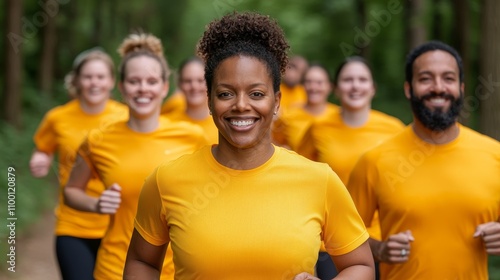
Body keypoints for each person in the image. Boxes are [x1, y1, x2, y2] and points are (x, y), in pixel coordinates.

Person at [124, 11, 374, 280]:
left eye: (256, 93)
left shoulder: (319, 180)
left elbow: (360, 266)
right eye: (225, 93)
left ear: (276, 101)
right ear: (209, 100)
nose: (241, 105)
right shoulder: (165, 180)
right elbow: (142, 262)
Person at [346, 40, 500, 279]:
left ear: (461, 87)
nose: (438, 88)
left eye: (448, 79)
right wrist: (380, 249)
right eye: (426, 79)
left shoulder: (494, 156)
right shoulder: (374, 161)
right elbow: (343, 238)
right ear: (409, 88)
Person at [63, 33, 207, 280]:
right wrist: (95, 205)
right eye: (134, 81)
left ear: (164, 87)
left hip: (178, 271)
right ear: (121, 87)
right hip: (115, 268)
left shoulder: (192, 137)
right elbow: (71, 191)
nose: (143, 88)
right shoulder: (98, 140)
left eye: (151, 81)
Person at [29, 48, 127, 280]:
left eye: (101, 77)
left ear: (112, 81)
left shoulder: (126, 117)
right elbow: (42, 149)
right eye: (88, 76)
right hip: (72, 223)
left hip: (118, 225)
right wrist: (40, 158)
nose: (94, 83)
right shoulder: (58, 118)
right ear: (77, 80)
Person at [303, 57, 404, 279]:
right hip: (332, 241)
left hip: (384, 240)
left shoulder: (394, 129)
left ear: (373, 88)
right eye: (348, 80)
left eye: (362, 79)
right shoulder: (318, 128)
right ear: (336, 89)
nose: (355, 86)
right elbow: (300, 178)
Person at [272, 64, 339, 157]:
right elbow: (273, 143)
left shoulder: (339, 115)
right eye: (308, 82)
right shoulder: (288, 115)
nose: (313, 87)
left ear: (330, 87)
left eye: (319, 82)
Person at [165, 57, 218, 144]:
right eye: (187, 81)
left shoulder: (222, 124)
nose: (194, 86)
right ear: (180, 84)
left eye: (200, 81)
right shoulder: (168, 124)